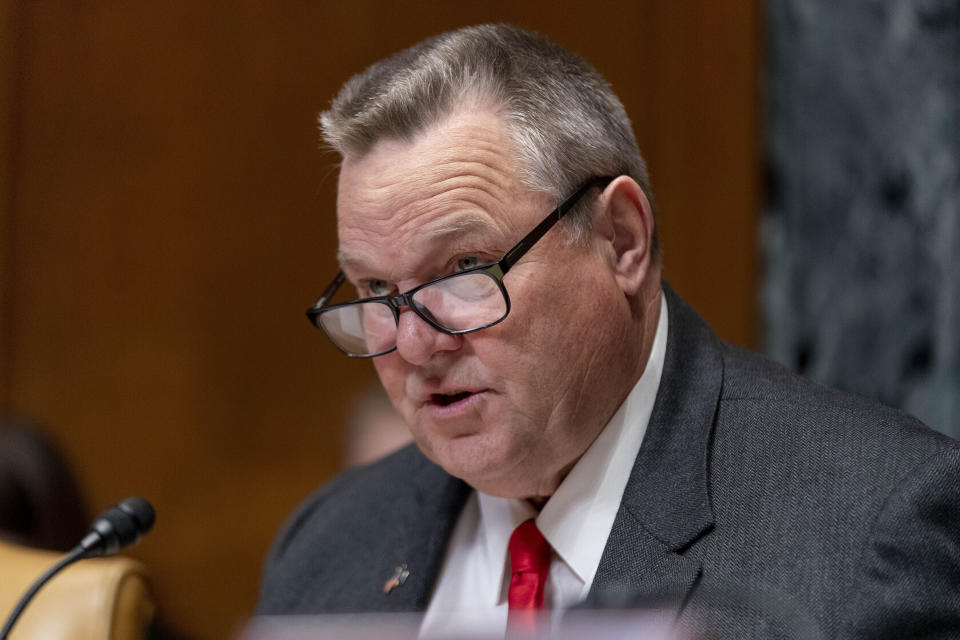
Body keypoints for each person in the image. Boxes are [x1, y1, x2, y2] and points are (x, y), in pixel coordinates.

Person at [257, 24, 960, 638]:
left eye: (465, 268)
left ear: (621, 239)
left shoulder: (871, 531)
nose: (415, 346)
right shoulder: (328, 544)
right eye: (377, 289)